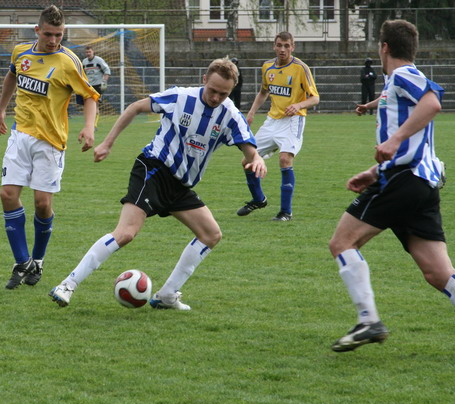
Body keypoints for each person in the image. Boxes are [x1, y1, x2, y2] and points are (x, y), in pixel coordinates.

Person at [49, 57, 267, 310]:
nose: (216, 97)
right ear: (204, 80)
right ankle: (68, 284)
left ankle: (167, 295)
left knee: (211, 235)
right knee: (126, 233)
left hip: (180, 185)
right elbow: (135, 107)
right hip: (153, 169)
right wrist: (108, 143)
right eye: (213, 90)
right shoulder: (180, 97)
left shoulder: (230, 114)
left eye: (223, 93)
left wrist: (257, 159)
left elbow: (250, 149)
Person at [329, 19, 452, 352]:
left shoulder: (403, 75)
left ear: (384, 47)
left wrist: (395, 140)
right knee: (439, 274)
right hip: (419, 184)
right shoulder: (394, 83)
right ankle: (368, 321)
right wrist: (373, 171)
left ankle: (369, 321)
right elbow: (415, 136)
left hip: (404, 180)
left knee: (342, 242)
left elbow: (433, 103)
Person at [0, 5, 99, 289]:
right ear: (37, 30)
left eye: (59, 35)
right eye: (49, 34)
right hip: (20, 135)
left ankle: (37, 260)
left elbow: (90, 97)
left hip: (51, 142)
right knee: (7, 194)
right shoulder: (21, 52)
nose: (54, 40)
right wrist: (2, 110)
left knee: (42, 203)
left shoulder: (68, 61)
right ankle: (22, 262)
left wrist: (89, 127)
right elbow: (12, 76)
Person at [237, 31, 320, 221]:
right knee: (248, 162)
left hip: (293, 120)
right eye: (279, 45)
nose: (282, 49)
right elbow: (263, 92)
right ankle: (259, 199)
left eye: (286, 46)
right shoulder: (267, 67)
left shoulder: (301, 68)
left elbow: (315, 98)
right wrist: (251, 113)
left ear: (293, 47)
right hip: (272, 120)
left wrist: (298, 105)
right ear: (274, 46)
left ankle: (285, 212)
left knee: (285, 159)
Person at [81, 45, 111, 128]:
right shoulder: (84, 62)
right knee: (87, 105)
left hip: (97, 85)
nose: (88, 53)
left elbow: (107, 71)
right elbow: (82, 74)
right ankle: (89, 124)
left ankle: (94, 125)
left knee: (95, 104)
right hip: (88, 86)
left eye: (89, 52)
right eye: (86, 52)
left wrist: (104, 82)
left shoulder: (99, 60)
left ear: (93, 52)